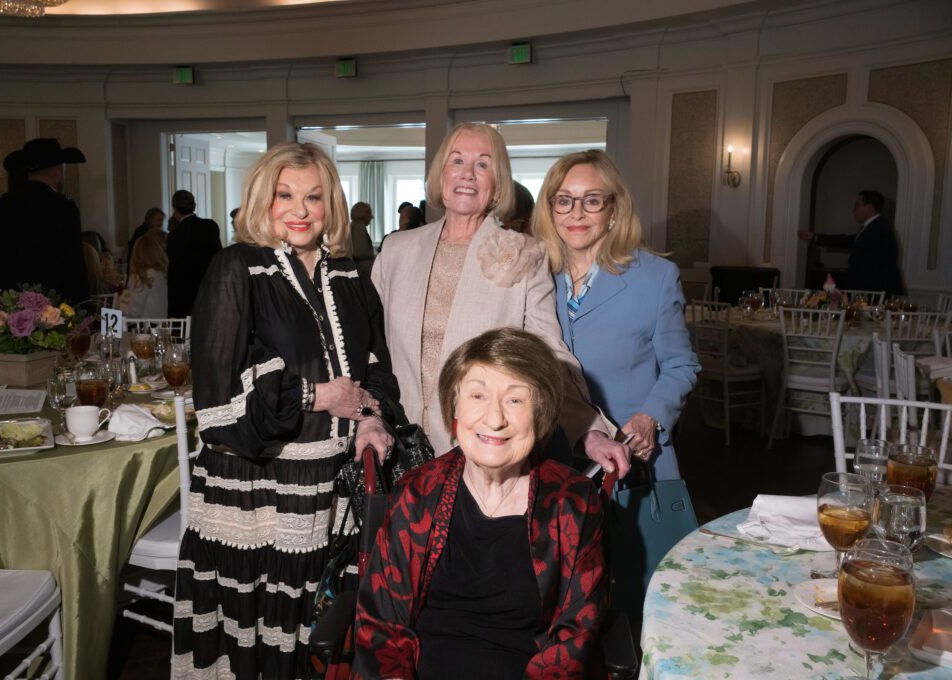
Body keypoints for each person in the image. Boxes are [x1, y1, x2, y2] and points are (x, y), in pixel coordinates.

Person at [173, 142, 401, 679]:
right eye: (286, 195)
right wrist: (318, 396)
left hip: (328, 488)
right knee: (254, 640)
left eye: (314, 197)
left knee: (315, 635)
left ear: (332, 206)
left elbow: (376, 366)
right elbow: (217, 399)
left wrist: (370, 414)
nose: (300, 210)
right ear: (262, 199)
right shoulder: (236, 267)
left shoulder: (348, 274)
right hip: (255, 494)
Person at [371, 122, 629, 477]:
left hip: (480, 451)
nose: (468, 174)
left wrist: (588, 430)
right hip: (397, 449)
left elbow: (547, 355)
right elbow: (369, 349)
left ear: (497, 184)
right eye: (457, 160)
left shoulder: (526, 255)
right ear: (441, 173)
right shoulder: (396, 251)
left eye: (483, 164)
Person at [353, 328, 607, 679]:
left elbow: (575, 637)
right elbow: (382, 626)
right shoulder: (416, 494)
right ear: (454, 407)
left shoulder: (573, 503)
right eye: (477, 395)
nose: (495, 418)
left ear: (541, 413)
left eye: (516, 399)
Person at [533, 150, 700, 481]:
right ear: (551, 210)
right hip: (553, 456)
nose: (576, 213)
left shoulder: (655, 277)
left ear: (613, 209)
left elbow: (681, 366)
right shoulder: (535, 276)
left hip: (630, 457)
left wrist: (649, 418)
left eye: (592, 200)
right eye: (564, 200)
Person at [0, 138, 89, 305]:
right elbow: (73, 261)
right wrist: (81, 303)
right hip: (54, 301)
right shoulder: (63, 207)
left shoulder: (4, 204)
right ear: (57, 171)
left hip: (12, 299)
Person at [798, 190, 905, 295]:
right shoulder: (875, 226)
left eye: (857, 205)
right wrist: (816, 237)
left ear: (869, 207)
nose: (853, 210)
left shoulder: (879, 228)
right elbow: (849, 240)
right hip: (874, 290)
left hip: (875, 291)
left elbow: (870, 265)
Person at [166, 189, 222, 317]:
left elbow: (174, 272)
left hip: (185, 297)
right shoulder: (210, 226)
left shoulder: (175, 236)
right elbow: (218, 256)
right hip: (209, 288)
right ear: (194, 206)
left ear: (175, 209)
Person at [119, 231, 167, 317]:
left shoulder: (142, 276)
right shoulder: (162, 272)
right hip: (162, 325)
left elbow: (134, 312)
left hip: (146, 327)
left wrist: (120, 304)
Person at [126, 207, 165, 276]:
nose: (161, 223)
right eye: (159, 220)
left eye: (162, 220)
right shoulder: (141, 233)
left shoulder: (153, 232)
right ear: (150, 220)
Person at [349, 201, 376, 277]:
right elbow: (359, 252)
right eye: (369, 213)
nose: (371, 217)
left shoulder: (353, 225)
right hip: (363, 271)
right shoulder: (359, 227)